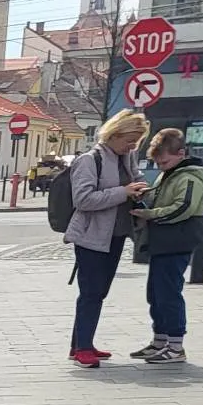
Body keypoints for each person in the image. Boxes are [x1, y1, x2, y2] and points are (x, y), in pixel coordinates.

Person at [63, 109, 150, 368]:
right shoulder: (90, 161)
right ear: (114, 134)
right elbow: (83, 199)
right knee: (91, 292)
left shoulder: (126, 158)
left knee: (99, 292)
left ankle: (80, 344)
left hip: (116, 234)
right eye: (129, 140)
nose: (132, 146)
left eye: (137, 142)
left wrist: (141, 188)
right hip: (91, 236)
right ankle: (83, 348)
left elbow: (135, 180)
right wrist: (123, 192)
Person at [128, 127, 203, 364]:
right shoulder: (170, 174)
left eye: (164, 162)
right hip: (163, 242)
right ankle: (160, 340)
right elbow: (161, 198)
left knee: (169, 293)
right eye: (158, 163)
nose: (161, 167)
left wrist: (151, 215)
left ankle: (175, 346)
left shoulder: (189, 177)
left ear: (181, 154)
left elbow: (183, 208)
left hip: (177, 241)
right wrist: (145, 196)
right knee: (156, 293)